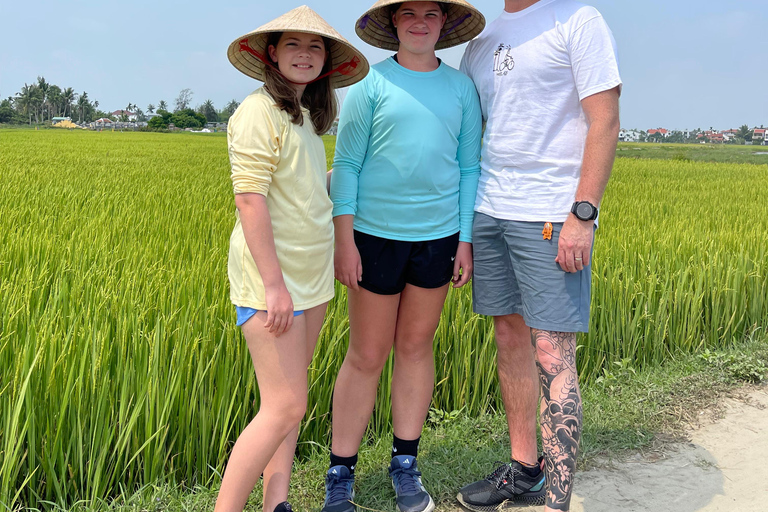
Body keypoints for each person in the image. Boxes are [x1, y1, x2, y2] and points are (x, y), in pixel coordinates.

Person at [456, 1, 622, 511]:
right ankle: (525, 469)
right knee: (508, 336)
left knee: (552, 352)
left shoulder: (577, 20)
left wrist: (583, 213)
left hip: (550, 215)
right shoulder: (481, 40)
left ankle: (557, 500)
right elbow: (466, 130)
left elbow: (606, 118)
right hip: (490, 210)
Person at [322, 2, 485, 512]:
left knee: (416, 346)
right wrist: (343, 239)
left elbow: (468, 168)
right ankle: (340, 473)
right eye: (408, 12)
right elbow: (346, 163)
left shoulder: (461, 89)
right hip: (373, 235)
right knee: (367, 354)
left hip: (438, 238)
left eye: (431, 13)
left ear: (443, 24)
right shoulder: (371, 83)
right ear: (393, 23)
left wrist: (465, 239)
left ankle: (405, 465)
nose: (420, 21)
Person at [216, 7, 368, 512]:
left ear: (325, 61)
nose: (304, 54)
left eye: (315, 46)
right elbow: (249, 199)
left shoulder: (303, 118)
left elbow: (302, 191)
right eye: (293, 45)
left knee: (288, 405)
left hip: (312, 277)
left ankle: (275, 504)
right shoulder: (257, 111)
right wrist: (273, 286)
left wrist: (353, 181)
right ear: (272, 54)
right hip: (273, 284)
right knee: (285, 406)